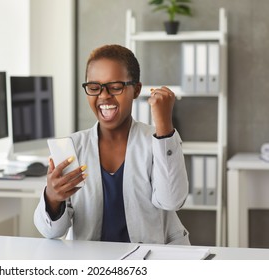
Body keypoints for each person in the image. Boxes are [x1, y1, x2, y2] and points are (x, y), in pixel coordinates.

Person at [34, 44, 190, 245]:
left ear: (136, 89)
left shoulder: (158, 139)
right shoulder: (72, 146)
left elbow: (172, 201)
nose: (104, 95)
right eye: (94, 87)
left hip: (149, 261)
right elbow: (51, 232)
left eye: (115, 87)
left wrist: (165, 126)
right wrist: (53, 198)